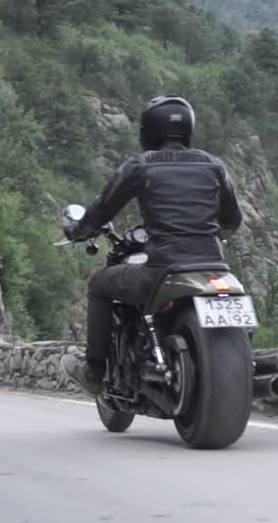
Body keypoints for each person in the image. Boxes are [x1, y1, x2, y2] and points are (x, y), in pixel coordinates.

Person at [60, 95, 243, 394]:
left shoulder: (141, 166)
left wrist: (77, 231)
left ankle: (94, 370)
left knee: (98, 284)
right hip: (216, 268)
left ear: (149, 130)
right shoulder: (214, 166)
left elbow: (102, 209)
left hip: (162, 268)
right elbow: (232, 221)